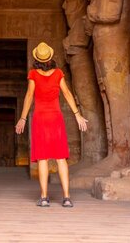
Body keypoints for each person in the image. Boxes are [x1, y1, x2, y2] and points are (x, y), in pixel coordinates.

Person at [16, 42, 88, 207]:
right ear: (50, 57)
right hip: (56, 119)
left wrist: (22, 118)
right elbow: (67, 93)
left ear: (37, 59)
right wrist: (77, 115)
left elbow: (28, 96)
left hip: (40, 119)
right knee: (61, 158)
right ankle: (67, 198)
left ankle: (43, 198)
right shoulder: (58, 74)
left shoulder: (33, 74)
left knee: (42, 158)